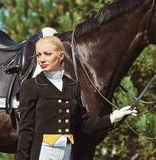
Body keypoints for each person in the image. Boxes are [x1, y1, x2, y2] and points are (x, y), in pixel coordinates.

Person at [15, 30, 137, 160]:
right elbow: (26, 130)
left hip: (67, 153)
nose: (42, 59)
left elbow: (84, 125)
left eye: (47, 54)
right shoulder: (30, 86)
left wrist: (113, 117)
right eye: (38, 55)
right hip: (42, 154)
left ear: (61, 56)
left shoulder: (73, 86)